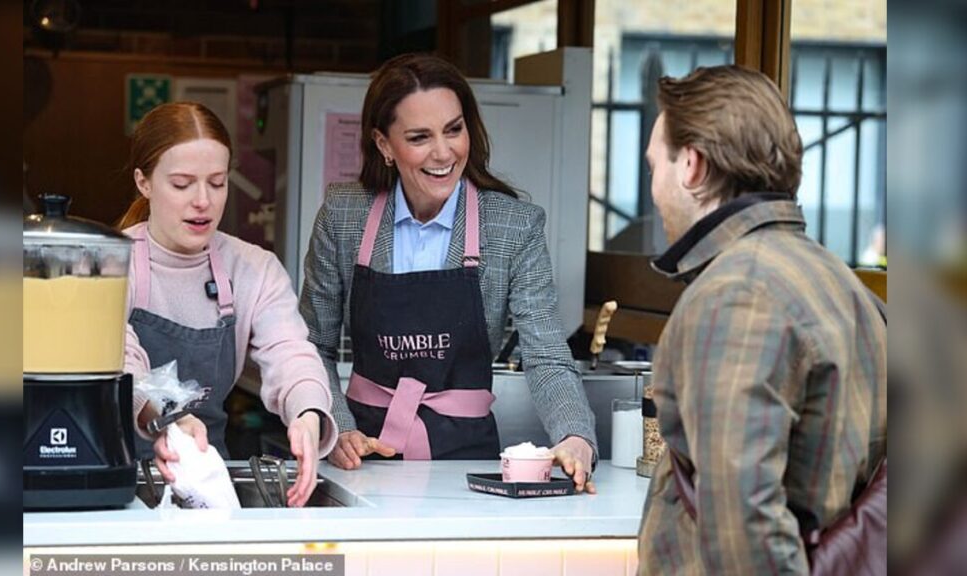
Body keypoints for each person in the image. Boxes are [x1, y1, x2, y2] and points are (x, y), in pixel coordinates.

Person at [299, 53, 598, 493]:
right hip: (362, 457)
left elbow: (547, 356)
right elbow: (313, 346)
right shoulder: (345, 215)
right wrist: (337, 427)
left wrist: (575, 436)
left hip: (466, 461)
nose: (444, 153)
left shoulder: (513, 225)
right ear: (384, 144)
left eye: (454, 130)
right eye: (419, 137)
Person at [636, 65, 887, 573]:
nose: (655, 189)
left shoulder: (736, 294)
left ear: (691, 166)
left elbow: (742, 530)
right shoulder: (841, 282)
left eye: (653, 168)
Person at [118, 102, 337, 507]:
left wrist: (308, 413)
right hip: (116, 482)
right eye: (182, 184)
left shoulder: (254, 268)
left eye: (217, 183)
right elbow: (115, 352)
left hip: (208, 480)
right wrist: (168, 414)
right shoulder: (109, 263)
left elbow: (290, 351)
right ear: (143, 182)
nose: (203, 200)